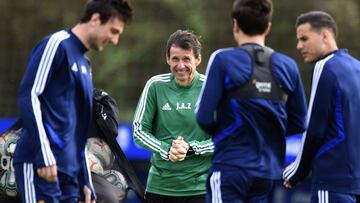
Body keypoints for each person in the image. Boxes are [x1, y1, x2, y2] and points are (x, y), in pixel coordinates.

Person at [13, 0, 132, 202]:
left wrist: (85, 178)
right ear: (95, 19)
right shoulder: (56, 44)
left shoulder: (84, 64)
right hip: (41, 166)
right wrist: (45, 155)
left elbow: (78, 129)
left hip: (69, 173)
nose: (115, 40)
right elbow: (29, 95)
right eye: (113, 31)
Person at [195, 0, 307, 202]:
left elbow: (203, 116)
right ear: (268, 28)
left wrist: (229, 133)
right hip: (267, 173)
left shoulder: (222, 59)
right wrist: (267, 130)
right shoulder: (289, 65)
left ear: (235, 24)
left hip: (230, 167)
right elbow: (299, 122)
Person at [283, 11, 360, 203]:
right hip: (355, 183)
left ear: (324, 35)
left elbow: (314, 129)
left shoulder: (325, 66)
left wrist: (296, 172)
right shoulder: (357, 67)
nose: (299, 45)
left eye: (304, 38)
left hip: (332, 181)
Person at [132, 29, 214, 203]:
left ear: (198, 60)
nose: (180, 65)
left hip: (200, 188)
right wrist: (167, 149)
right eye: (175, 59)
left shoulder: (211, 87)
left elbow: (224, 137)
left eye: (186, 59)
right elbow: (139, 131)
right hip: (159, 187)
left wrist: (191, 148)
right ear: (167, 59)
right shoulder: (154, 86)